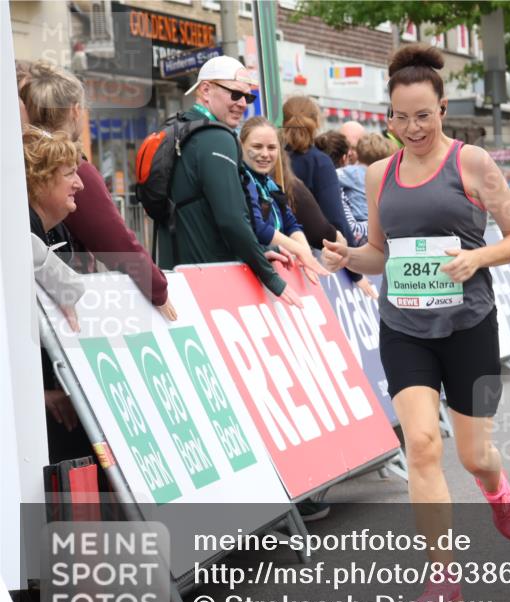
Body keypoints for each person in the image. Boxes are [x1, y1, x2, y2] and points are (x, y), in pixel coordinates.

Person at [320, 44, 510, 602]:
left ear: (442, 110)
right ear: (386, 118)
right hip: (404, 325)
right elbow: (379, 255)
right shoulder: (376, 173)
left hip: (468, 324)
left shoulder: (473, 164)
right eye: (400, 117)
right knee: (420, 445)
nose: (411, 128)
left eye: (422, 115)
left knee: (474, 454)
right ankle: (442, 576)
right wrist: (348, 258)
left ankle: (497, 488)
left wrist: (477, 259)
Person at [17, 60, 177, 320]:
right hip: (63, 303)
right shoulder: (70, 168)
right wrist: (158, 289)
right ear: (75, 110)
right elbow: (117, 243)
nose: (76, 183)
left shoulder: (21, 157)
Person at [156, 56, 300, 307]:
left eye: (248, 97)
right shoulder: (216, 137)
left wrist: (253, 255)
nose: (243, 103)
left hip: (176, 276)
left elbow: (201, 213)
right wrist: (270, 276)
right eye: (235, 94)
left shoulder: (177, 128)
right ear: (205, 90)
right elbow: (232, 220)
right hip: (212, 285)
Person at [22, 126, 92, 461]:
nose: (79, 184)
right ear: (39, 179)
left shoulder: (59, 230)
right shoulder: (20, 228)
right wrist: (36, 394)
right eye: (69, 175)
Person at [239, 116, 328, 283]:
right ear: (241, 146)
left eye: (272, 147)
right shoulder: (242, 178)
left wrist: (306, 256)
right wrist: (301, 252)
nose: (265, 154)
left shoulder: (269, 182)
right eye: (257, 146)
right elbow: (259, 228)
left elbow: (290, 223)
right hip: (248, 276)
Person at [284, 96, 358, 249]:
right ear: (317, 123)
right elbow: (337, 219)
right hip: (318, 254)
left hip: (284, 250)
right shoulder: (320, 162)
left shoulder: (276, 158)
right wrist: (355, 266)